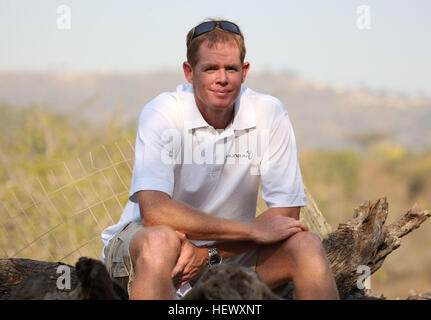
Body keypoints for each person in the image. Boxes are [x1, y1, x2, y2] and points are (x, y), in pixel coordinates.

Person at [101, 18, 340, 300]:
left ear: (245, 71)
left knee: (306, 245)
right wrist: (250, 230)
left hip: (225, 254)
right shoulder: (162, 112)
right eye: (211, 68)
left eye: (231, 68)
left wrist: (209, 254)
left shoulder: (269, 112)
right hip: (148, 250)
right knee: (160, 241)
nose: (222, 78)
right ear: (189, 72)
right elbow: (155, 212)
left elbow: (287, 215)